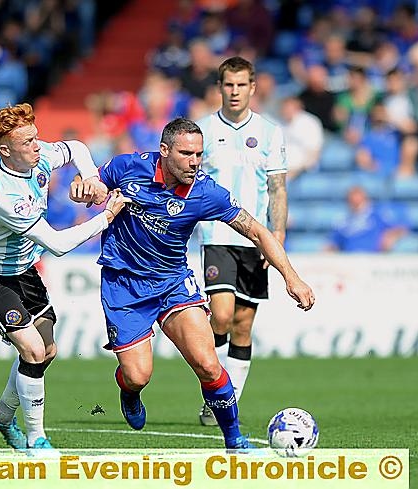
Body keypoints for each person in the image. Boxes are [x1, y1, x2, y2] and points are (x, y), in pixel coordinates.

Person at [73, 118, 314, 450]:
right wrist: (80, 188)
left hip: (172, 284)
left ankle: (234, 441)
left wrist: (292, 277)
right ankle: (129, 392)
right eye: (186, 153)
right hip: (124, 286)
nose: (195, 161)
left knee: (207, 363)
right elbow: (87, 185)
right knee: (138, 375)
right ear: (164, 150)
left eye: (199, 154)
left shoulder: (205, 191)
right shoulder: (127, 167)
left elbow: (258, 231)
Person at [0, 102, 129, 450]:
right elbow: (56, 244)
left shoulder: (36, 158)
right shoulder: (5, 194)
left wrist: (91, 178)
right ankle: (37, 439)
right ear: (6, 151)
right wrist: (105, 217)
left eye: (36, 138)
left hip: (24, 271)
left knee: (47, 350)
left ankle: (2, 415)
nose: (38, 146)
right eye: (28, 143)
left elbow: (77, 149)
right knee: (34, 349)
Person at [196, 56, 287, 426]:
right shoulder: (201, 130)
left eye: (241, 85)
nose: (234, 92)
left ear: (253, 88)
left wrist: (276, 234)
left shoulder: (269, 132)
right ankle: (216, 389)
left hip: (256, 238)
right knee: (220, 315)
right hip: (217, 234)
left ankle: (226, 401)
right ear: (220, 88)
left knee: (243, 324)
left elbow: (277, 187)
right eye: (228, 85)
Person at [326, 185, 408, 252]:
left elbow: (401, 229)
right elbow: (334, 243)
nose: (356, 204)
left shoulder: (377, 215)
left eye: (359, 201)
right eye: (352, 201)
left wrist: (390, 236)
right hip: (349, 260)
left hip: (372, 258)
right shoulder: (343, 221)